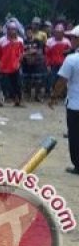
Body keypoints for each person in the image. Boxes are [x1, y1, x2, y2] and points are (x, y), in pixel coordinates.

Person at [50, 26, 79, 174]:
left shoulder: (72, 59)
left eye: (74, 38)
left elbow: (61, 81)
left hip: (75, 104)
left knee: (74, 135)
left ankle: (78, 164)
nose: (71, 40)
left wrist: (54, 96)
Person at [0, 22, 26, 106]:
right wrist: (0, 63)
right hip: (4, 67)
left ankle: (18, 101)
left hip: (15, 66)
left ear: (16, 30)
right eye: (10, 29)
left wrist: (19, 61)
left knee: (18, 84)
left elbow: (22, 52)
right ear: (7, 30)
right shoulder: (1, 40)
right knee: (6, 85)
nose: (12, 31)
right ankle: (3, 100)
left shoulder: (20, 40)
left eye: (14, 29)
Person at [46, 24, 73, 95]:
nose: (58, 33)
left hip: (63, 64)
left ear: (62, 33)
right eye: (57, 32)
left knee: (63, 79)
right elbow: (47, 54)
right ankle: (53, 94)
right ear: (54, 32)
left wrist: (66, 51)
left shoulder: (66, 41)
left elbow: (71, 51)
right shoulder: (49, 41)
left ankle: (62, 94)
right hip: (53, 64)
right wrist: (48, 65)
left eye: (60, 32)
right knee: (53, 79)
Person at [22, 26, 47, 101]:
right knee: (27, 81)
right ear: (25, 33)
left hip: (36, 63)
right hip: (26, 64)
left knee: (38, 81)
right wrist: (29, 53)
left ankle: (37, 96)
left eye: (30, 32)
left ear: (32, 33)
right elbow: (20, 52)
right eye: (27, 32)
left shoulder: (37, 41)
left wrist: (29, 52)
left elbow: (40, 51)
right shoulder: (23, 41)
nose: (29, 33)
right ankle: (28, 95)